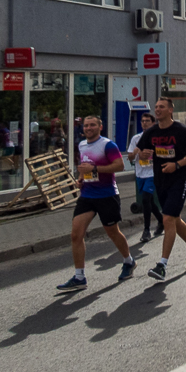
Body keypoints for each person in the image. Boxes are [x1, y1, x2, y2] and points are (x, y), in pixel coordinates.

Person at [56, 116, 134, 291]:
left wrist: (96, 170)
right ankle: (79, 276)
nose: (88, 128)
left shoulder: (108, 145)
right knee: (76, 234)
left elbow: (120, 166)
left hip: (107, 195)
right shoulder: (82, 145)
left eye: (92, 125)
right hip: (88, 195)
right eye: (86, 125)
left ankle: (128, 261)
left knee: (113, 232)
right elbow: (85, 166)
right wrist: (81, 179)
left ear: (100, 127)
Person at [136, 98, 186, 281]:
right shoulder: (151, 132)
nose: (157, 109)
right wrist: (142, 154)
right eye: (156, 107)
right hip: (160, 180)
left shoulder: (182, 130)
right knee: (174, 219)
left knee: (167, 219)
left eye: (161, 107)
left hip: (179, 179)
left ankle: (162, 265)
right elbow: (140, 152)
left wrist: (177, 165)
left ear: (170, 110)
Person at [127, 112, 164, 242]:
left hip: (153, 173)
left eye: (147, 121)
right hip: (140, 173)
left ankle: (146, 230)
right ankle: (161, 220)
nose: (144, 123)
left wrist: (152, 154)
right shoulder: (136, 139)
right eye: (142, 121)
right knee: (149, 201)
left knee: (146, 199)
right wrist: (137, 152)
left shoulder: (158, 138)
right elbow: (130, 157)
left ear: (153, 123)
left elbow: (165, 154)